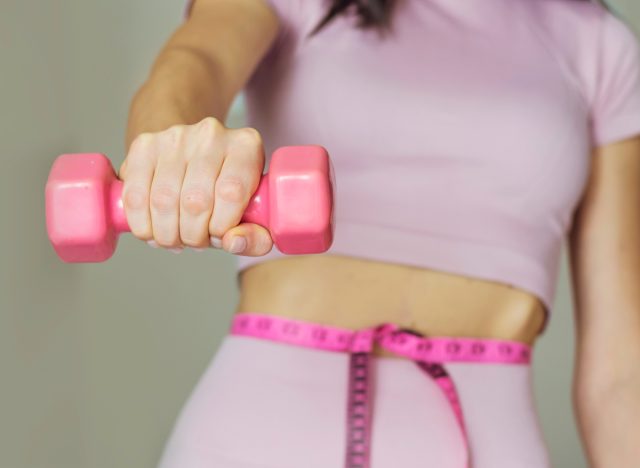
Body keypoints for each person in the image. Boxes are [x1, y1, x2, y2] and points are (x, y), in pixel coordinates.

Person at [118, 0, 640, 466]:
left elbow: (620, 377)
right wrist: (172, 142)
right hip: (259, 436)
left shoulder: (600, 46)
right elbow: (196, 63)